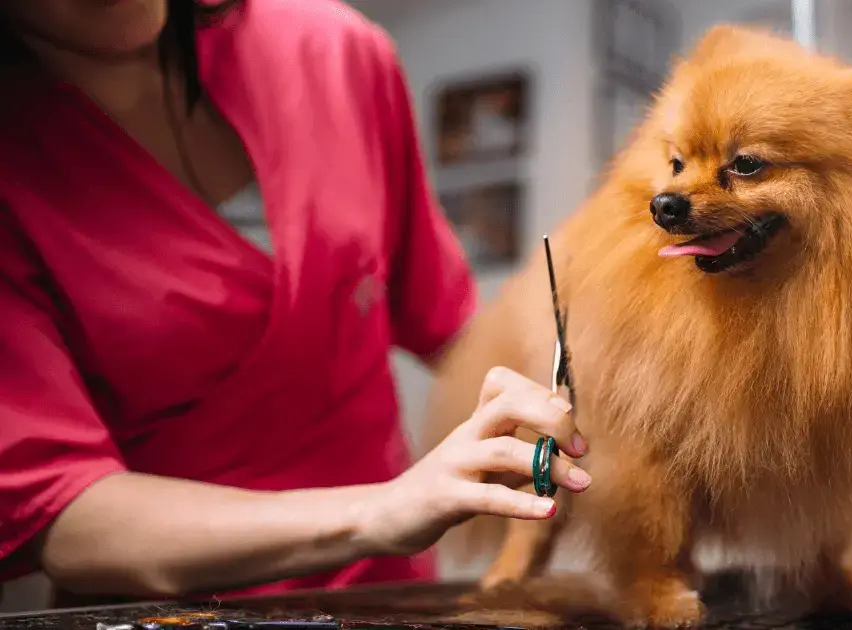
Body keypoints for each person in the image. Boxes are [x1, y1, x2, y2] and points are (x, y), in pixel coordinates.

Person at [0, 0, 591, 607]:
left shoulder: (336, 49)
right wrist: (382, 509)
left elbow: (459, 333)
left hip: (384, 600)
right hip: (167, 613)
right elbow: (61, 512)